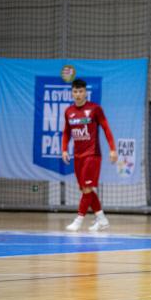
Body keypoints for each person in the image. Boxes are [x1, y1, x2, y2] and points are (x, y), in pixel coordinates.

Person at [62, 78, 116, 232]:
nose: (78, 94)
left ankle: (78, 220)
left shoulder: (95, 109)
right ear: (72, 93)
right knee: (87, 190)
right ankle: (102, 219)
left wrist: (112, 148)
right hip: (77, 156)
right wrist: (64, 149)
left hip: (92, 155)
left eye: (80, 91)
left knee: (87, 188)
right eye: (75, 91)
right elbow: (66, 132)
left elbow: (106, 128)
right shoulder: (69, 111)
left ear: (85, 92)